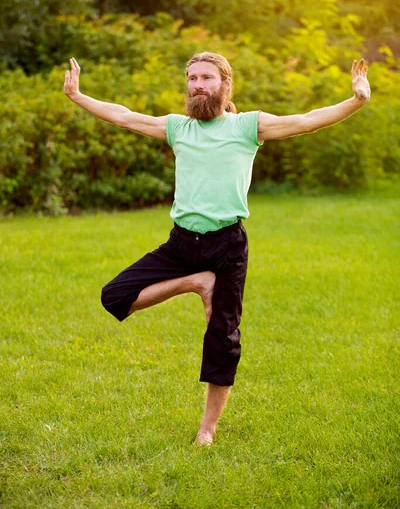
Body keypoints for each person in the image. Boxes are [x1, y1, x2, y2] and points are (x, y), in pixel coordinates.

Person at [64, 52, 371, 445]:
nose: (197, 85)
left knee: (223, 337)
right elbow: (123, 115)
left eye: (206, 77)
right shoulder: (178, 128)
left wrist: (357, 100)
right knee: (115, 296)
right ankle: (195, 282)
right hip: (181, 244)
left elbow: (307, 121)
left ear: (225, 84)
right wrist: (77, 96)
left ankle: (207, 429)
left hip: (227, 246)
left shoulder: (247, 126)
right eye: (192, 78)